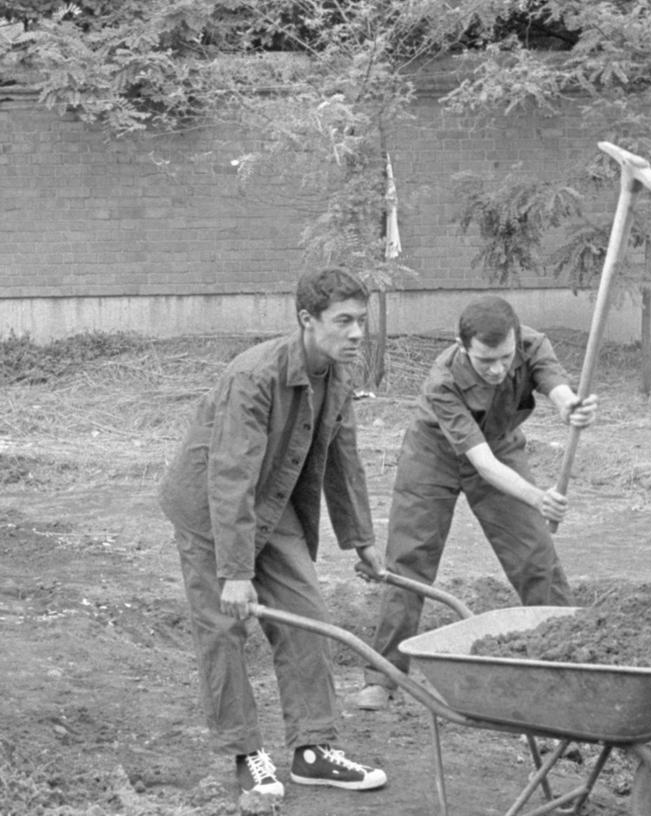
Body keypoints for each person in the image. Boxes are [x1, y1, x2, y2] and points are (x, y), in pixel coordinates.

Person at [158, 268, 390, 803]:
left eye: (361, 320)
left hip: (271, 502)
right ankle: (247, 753)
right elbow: (230, 475)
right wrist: (236, 573)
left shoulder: (336, 373)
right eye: (344, 321)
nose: (357, 333)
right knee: (224, 625)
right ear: (307, 321)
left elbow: (343, 457)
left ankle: (313, 749)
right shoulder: (255, 377)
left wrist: (362, 540)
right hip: (209, 507)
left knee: (308, 614)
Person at [352, 295, 596, 710]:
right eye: (486, 361)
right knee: (410, 559)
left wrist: (568, 405)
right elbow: (481, 465)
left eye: (505, 357)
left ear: (516, 338)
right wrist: (538, 497)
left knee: (536, 556)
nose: (498, 369)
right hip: (435, 456)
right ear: (463, 346)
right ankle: (385, 675)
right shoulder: (442, 381)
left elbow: (554, 385)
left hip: (499, 445)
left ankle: (573, 666)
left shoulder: (530, 344)